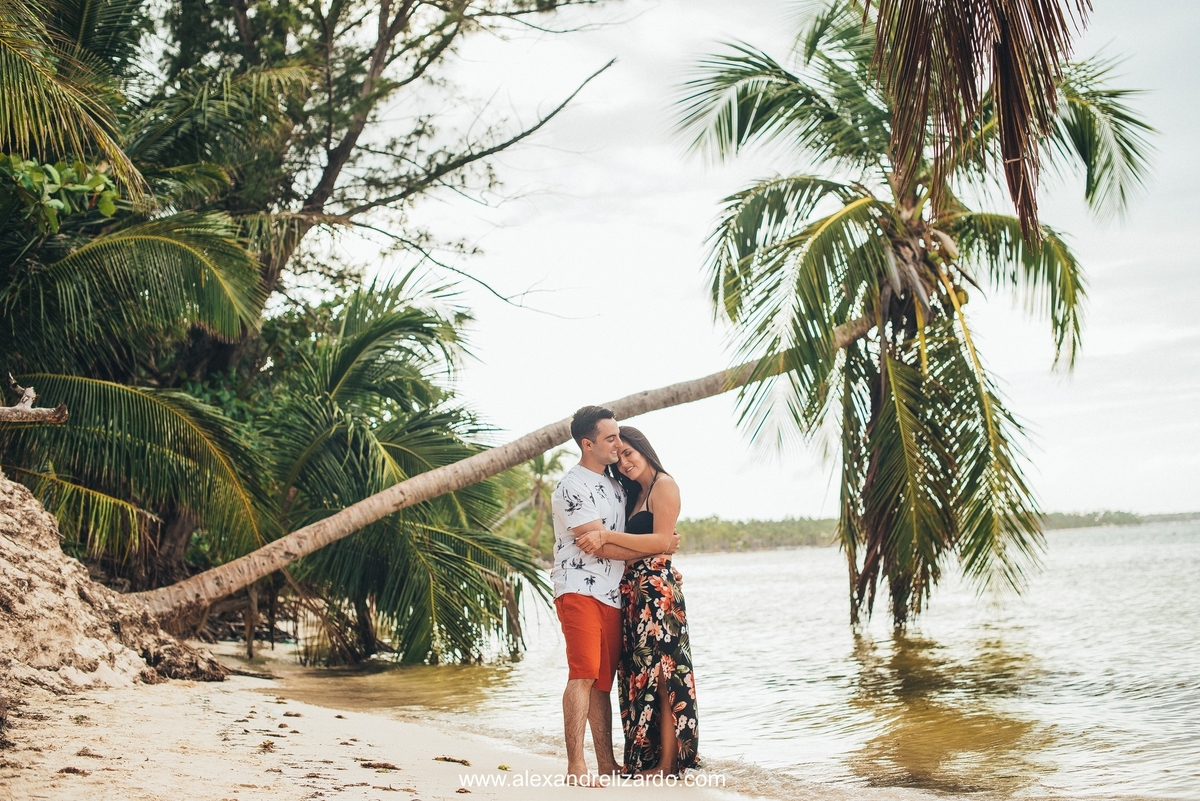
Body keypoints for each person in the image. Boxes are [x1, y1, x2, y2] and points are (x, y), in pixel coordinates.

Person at [550, 406, 679, 786]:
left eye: (619, 435)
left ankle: (607, 765)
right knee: (583, 674)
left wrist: (659, 556)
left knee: (602, 683)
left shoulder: (615, 486)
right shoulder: (571, 486)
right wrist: (658, 549)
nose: (618, 444)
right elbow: (599, 547)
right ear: (587, 444)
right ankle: (576, 766)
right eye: (610, 438)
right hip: (579, 588)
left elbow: (636, 531)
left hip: (614, 594)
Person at [576, 426, 699, 776]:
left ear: (644, 450)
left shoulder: (664, 485)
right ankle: (647, 758)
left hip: (657, 593)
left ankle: (667, 764)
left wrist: (606, 536)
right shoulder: (632, 494)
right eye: (619, 458)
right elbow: (656, 544)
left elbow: (661, 540)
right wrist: (650, 548)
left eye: (629, 453)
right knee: (639, 674)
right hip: (633, 592)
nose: (624, 463)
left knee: (664, 675)